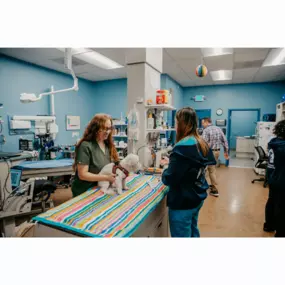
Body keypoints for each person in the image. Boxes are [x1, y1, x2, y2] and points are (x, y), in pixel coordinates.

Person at [160, 107, 216, 238]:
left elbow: (170, 178)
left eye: (176, 122)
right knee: (192, 230)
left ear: (181, 123)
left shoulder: (182, 147)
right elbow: (191, 165)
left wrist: (165, 171)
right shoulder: (201, 142)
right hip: (197, 197)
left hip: (183, 202)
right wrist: (173, 161)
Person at [71, 114, 119, 197]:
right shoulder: (85, 146)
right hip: (85, 191)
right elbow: (82, 175)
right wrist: (106, 178)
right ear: (95, 129)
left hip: (101, 188)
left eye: (109, 128)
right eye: (104, 128)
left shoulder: (108, 145)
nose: (107, 131)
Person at [263, 119, 285, 237]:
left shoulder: (273, 142)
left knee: (271, 201)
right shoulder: (283, 146)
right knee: (281, 206)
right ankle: (280, 233)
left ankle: (269, 225)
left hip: (272, 176)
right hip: (281, 179)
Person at [201, 117, 229, 197]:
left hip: (208, 152)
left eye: (203, 123)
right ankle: (211, 185)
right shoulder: (218, 129)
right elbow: (225, 141)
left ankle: (214, 189)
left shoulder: (206, 130)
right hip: (217, 152)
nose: (202, 125)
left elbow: (203, 143)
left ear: (206, 122)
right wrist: (226, 152)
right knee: (212, 169)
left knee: (207, 169)